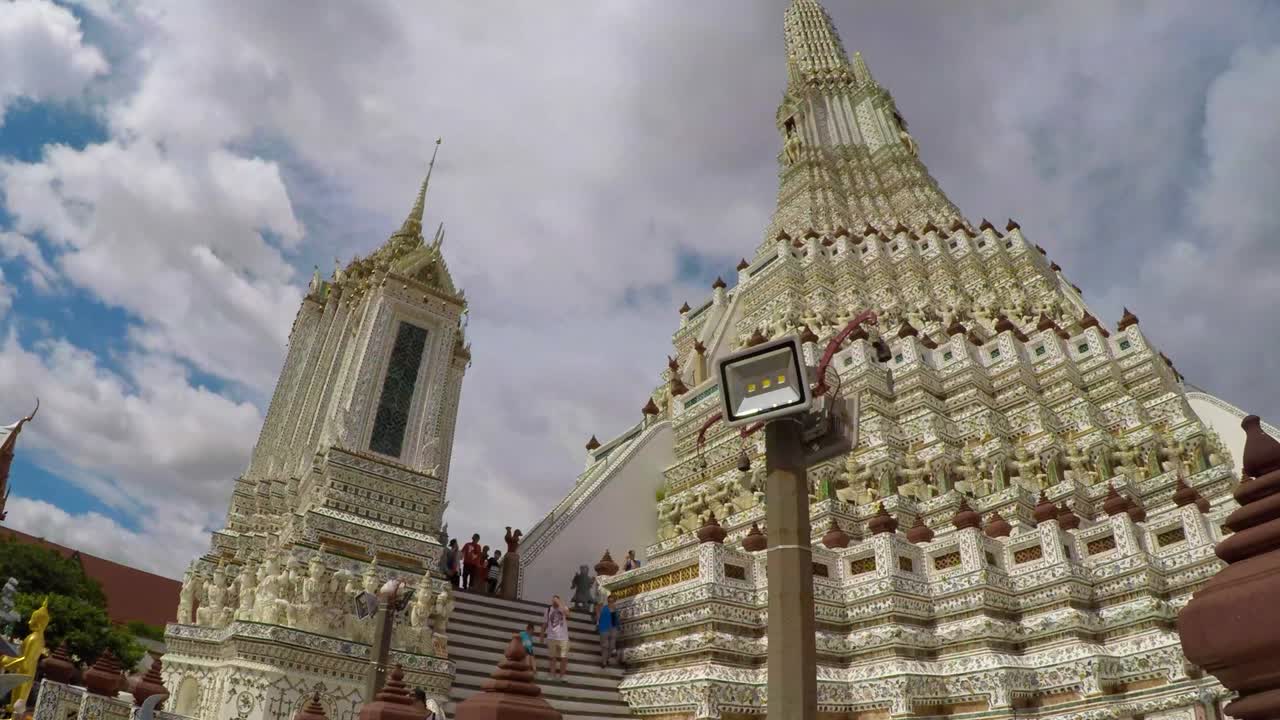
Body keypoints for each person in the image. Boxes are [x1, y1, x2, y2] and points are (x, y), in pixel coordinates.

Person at [540, 595, 570, 682]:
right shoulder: (548, 610)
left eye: (557, 600)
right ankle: (552, 675)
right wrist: (541, 636)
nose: (555, 602)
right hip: (551, 637)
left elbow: (568, 614)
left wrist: (560, 604)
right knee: (552, 657)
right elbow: (545, 624)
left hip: (563, 638)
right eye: (554, 600)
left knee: (564, 658)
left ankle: (562, 676)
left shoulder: (564, 607)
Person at [595, 595, 622, 668]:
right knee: (605, 646)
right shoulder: (603, 608)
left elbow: (616, 620)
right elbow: (598, 616)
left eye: (612, 601)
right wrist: (597, 623)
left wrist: (618, 627)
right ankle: (604, 662)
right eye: (609, 601)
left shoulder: (615, 610)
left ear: (614, 602)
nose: (610, 603)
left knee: (612, 646)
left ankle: (607, 658)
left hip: (613, 629)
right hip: (604, 628)